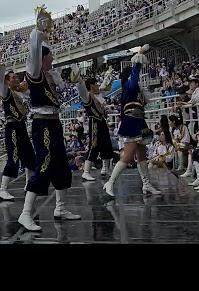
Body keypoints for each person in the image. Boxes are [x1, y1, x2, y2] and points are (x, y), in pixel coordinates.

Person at [17, 5, 81, 232]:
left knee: (61, 163)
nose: (53, 57)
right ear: (42, 57)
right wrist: (39, 30)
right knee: (43, 164)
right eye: (50, 54)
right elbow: (34, 51)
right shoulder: (34, 73)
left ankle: (61, 207)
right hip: (42, 123)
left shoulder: (50, 76)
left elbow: (63, 85)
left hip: (53, 123)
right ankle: (25, 214)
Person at [103, 44, 161, 197]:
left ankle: (146, 184)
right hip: (131, 123)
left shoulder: (133, 91)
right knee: (128, 156)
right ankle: (110, 182)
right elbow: (135, 75)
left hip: (138, 122)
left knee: (142, 155)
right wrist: (139, 57)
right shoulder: (130, 87)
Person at [0, 53, 36, 201]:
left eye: (17, 77)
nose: (17, 79)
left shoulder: (21, 92)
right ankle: (2, 189)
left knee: (29, 156)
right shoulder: (5, 91)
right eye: (13, 77)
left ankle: (29, 183)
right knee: (13, 157)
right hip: (12, 128)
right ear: (7, 81)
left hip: (21, 126)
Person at [69, 65, 114, 181]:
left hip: (102, 122)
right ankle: (86, 171)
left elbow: (105, 84)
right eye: (96, 84)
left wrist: (109, 73)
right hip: (94, 122)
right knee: (93, 146)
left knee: (106, 145)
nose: (99, 86)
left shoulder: (98, 95)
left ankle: (105, 169)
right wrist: (79, 79)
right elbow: (82, 89)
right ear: (92, 86)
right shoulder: (87, 96)